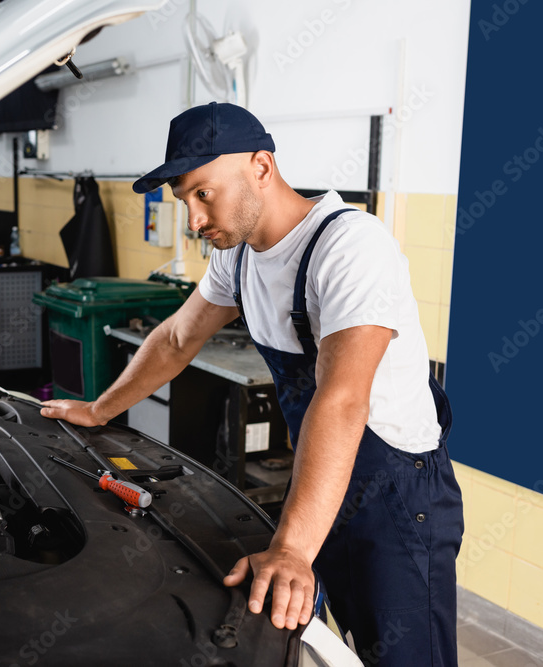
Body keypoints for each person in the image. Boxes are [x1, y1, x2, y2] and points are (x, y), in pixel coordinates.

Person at [40, 102, 463, 666]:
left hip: (399, 497)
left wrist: (290, 548)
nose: (193, 219)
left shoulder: (349, 246)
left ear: (261, 166)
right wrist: (100, 409)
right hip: (323, 478)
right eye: (184, 199)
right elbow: (174, 341)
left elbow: (341, 400)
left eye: (202, 193)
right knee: (313, 643)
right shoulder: (236, 258)